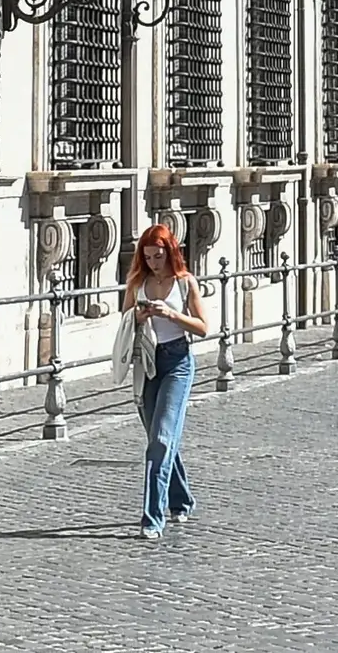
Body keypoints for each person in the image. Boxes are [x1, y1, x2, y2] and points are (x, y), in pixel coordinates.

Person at [122, 221, 209, 538]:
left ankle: (152, 519)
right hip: (147, 362)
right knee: (160, 438)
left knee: (160, 440)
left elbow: (203, 327)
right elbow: (126, 320)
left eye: (158, 257)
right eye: (147, 257)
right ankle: (182, 499)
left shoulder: (185, 283)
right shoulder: (137, 282)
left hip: (177, 363)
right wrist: (139, 315)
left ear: (170, 253)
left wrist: (171, 314)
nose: (152, 264)